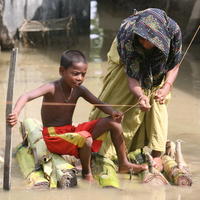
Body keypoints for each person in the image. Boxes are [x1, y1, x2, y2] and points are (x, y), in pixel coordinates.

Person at [7, 50, 147, 181]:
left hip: (70, 131)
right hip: (53, 137)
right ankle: (87, 173)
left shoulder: (79, 90)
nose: (80, 78)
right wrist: (16, 113)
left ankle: (124, 163)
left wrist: (113, 112)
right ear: (62, 71)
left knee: (113, 123)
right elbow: (26, 96)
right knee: (86, 139)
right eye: (75, 74)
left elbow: (98, 103)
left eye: (83, 74)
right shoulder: (52, 88)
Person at [89, 8, 182, 170]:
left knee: (157, 98)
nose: (145, 44)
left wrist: (166, 87)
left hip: (160, 60)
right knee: (119, 92)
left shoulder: (173, 33)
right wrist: (139, 95)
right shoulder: (128, 36)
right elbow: (132, 77)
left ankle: (156, 154)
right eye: (142, 39)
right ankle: (105, 150)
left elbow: (174, 65)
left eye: (149, 41)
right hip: (126, 57)